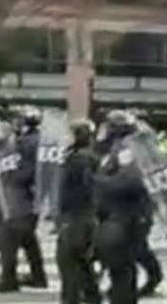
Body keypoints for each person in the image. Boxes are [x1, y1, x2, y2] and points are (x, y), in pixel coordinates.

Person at [0, 107, 46, 292]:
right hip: (32, 199)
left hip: (22, 198)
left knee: (8, 236)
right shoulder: (39, 141)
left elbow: (27, 172)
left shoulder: (27, 143)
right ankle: (38, 276)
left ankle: (8, 278)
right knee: (28, 238)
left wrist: (13, 176)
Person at [94, 109, 149, 304]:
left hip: (125, 217)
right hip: (114, 215)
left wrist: (99, 181)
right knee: (117, 267)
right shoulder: (115, 148)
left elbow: (131, 181)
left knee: (122, 267)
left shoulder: (128, 149)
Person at [57, 118, 102, 304]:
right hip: (82, 215)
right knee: (82, 262)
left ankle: (71, 300)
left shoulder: (80, 159)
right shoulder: (84, 156)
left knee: (68, 261)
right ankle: (92, 298)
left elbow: (86, 188)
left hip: (78, 216)